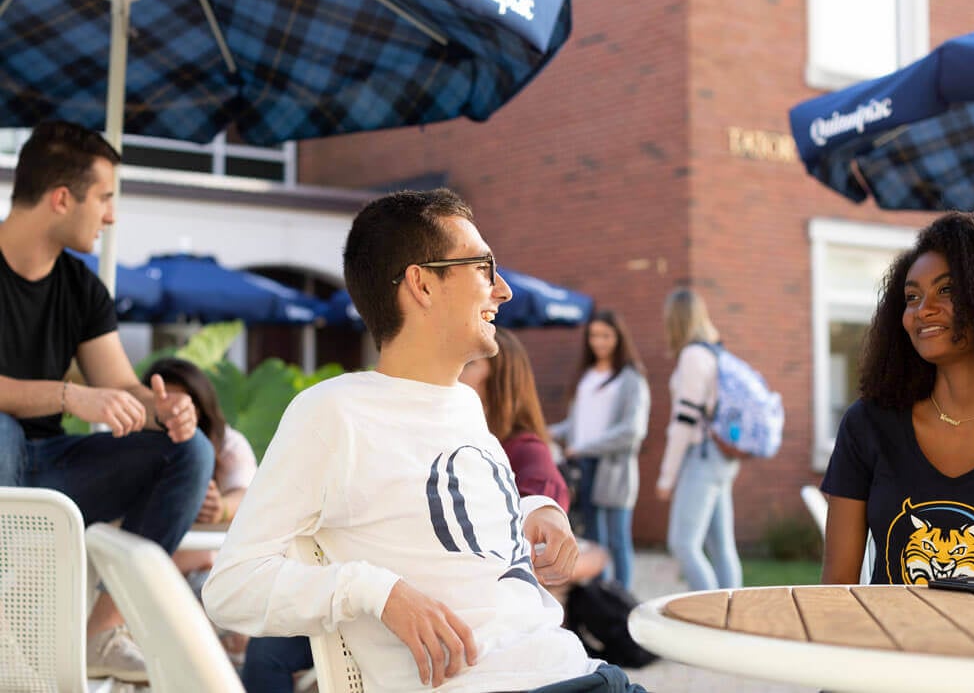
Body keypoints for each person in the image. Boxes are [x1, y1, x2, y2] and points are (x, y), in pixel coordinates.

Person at [204, 188, 648, 693]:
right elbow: (231, 587)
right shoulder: (333, 412)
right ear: (422, 284)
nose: (502, 289)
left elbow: (444, 529)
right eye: (483, 267)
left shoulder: (464, 405)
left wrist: (533, 510)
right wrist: (376, 591)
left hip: (582, 673)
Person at [0, 120, 215, 683]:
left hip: (48, 469)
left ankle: (98, 631)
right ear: (62, 198)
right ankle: (8, 622)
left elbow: (119, 385)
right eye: (105, 197)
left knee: (188, 453)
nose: (112, 215)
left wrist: (164, 409)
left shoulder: (82, 287)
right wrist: (72, 396)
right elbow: (82, 395)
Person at [822, 211, 974, 586]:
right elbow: (836, 589)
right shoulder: (868, 426)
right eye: (912, 297)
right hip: (888, 644)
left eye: (947, 290)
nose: (922, 310)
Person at [459, 327, 608, 595]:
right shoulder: (456, 439)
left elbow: (540, 539)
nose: (455, 369)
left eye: (469, 362)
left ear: (500, 378)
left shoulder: (527, 451)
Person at [548, 310, 650, 591]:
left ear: (618, 338)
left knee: (618, 540)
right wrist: (550, 431)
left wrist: (585, 447)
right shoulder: (587, 376)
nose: (599, 342)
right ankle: (599, 598)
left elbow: (632, 430)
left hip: (613, 469)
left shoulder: (630, 378)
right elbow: (579, 424)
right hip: (583, 467)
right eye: (594, 335)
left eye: (606, 335)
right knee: (593, 540)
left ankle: (621, 600)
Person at [654, 288, 743, 591]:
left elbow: (684, 421)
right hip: (721, 458)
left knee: (682, 544)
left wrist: (667, 477)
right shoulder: (716, 352)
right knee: (721, 546)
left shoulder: (693, 356)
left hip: (702, 457)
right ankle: (733, 617)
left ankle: (710, 615)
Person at [140, 358, 257, 575]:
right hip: (141, 571)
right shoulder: (133, 445)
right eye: (164, 405)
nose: (174, 414)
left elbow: (250, 494)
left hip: (204, 572)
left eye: (183, 406)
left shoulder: (228, 443)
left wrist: (221, 508)